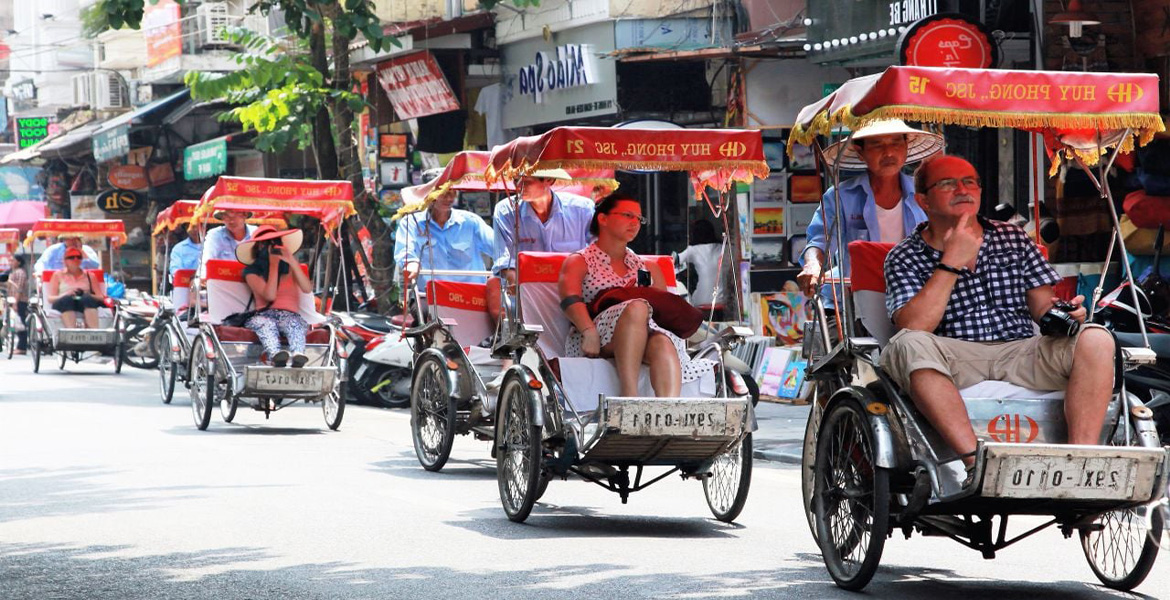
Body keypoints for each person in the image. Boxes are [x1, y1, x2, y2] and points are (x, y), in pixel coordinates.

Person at [880, 155, 1115, 485]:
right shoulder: (905, 255)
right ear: (922, 200)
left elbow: (1042, 308)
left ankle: (1081, 466)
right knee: (907, 343)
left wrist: (1066, 313)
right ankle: (976, 464)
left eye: (969, 182)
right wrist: (951, 262)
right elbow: (915, 325)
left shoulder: (1013, 239)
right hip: (952, 356)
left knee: (1096, 338)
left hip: (1020, 350)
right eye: (947, 184)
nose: (962, 190)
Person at [559, 194, 713, 397]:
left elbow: (660, 311)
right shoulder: (579, 261)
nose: (635, 223)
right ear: (603, 219)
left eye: (639, 218)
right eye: (627, 215)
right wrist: (589, 331)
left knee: (662, 343)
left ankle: (669, 411)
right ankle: (629, 398)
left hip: (646, 333)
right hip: (596, 334)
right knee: (637, 306)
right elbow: (570, 300)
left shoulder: (648, 266)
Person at [797, 120, 944, 302]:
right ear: (861, 152)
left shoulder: (925, 195)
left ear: (906, 146)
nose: (889, 152)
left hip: (916, 297)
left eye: (896, 142)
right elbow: (819, 241)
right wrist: (812, 265)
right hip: (854, 301)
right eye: (877, 145)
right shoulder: (841, 196)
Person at [486, 171, 594, 321]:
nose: (519, 187)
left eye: (526, 182)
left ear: (549, 180)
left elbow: (598, 253)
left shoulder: (582, 209)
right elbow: (505, 261)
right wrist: (519, 287)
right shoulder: (506, 212)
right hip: (528, 297)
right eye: (516, 181)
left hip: (576, 295)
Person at [236, 226, 313, 367]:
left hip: (290, 315)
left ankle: (298, 355)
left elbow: (307, 288)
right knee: (266, 325)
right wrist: (273, 265)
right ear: (258, 247)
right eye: (265, 244)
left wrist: (291, 260)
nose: (270, 248)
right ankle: (276, 355)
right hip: (264, 315)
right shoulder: (251, 272)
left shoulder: (291, 268)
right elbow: (270, 296)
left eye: (274, 242)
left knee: (293, 324)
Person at [394, 187, 494, 291]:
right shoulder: (412, 223)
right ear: (429, 195)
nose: (449, 198)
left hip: (471, 296)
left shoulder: (471, 222)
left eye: (453, 193)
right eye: (443, 193)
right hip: (430, 297)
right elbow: (404, 250)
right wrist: (411, 263)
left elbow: (499, 249)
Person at [676, 219, 729, 310]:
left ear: (694, 234)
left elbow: (674, 260)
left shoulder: (693, 250)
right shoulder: (725, 248)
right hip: (722, 298)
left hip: (701, 299)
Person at [47, 248, 106, 329]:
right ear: (65, 261)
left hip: (84, 302)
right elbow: (50, 298)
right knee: (67, 300)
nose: (75, 259)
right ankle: (71, 330)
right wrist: (66, 294)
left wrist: (87, 294)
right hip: (64, 303)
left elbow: (101, 297)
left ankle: (94, 331)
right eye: (71, 257)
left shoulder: (90, 276)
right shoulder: (57, 275)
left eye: (78, 257)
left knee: (87, 298)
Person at [34, 234, 100, 276]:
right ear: (65, 239)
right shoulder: (53, 250)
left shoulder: (86, 249)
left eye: (76, 239)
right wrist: (40, 272)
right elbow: (41, 263)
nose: (73, 241)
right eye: (70, 239)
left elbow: (95, 265)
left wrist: (82, 252)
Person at [7, 254, 28, 354]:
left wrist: (15, 302)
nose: (11, 263)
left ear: (19, 262)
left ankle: (22, 347)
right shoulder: (13, 272)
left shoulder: (20, 273)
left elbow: (19, 289)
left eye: (13, 261)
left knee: (21, 324)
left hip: (19, 301)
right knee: (17, 323)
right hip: (14, 300)